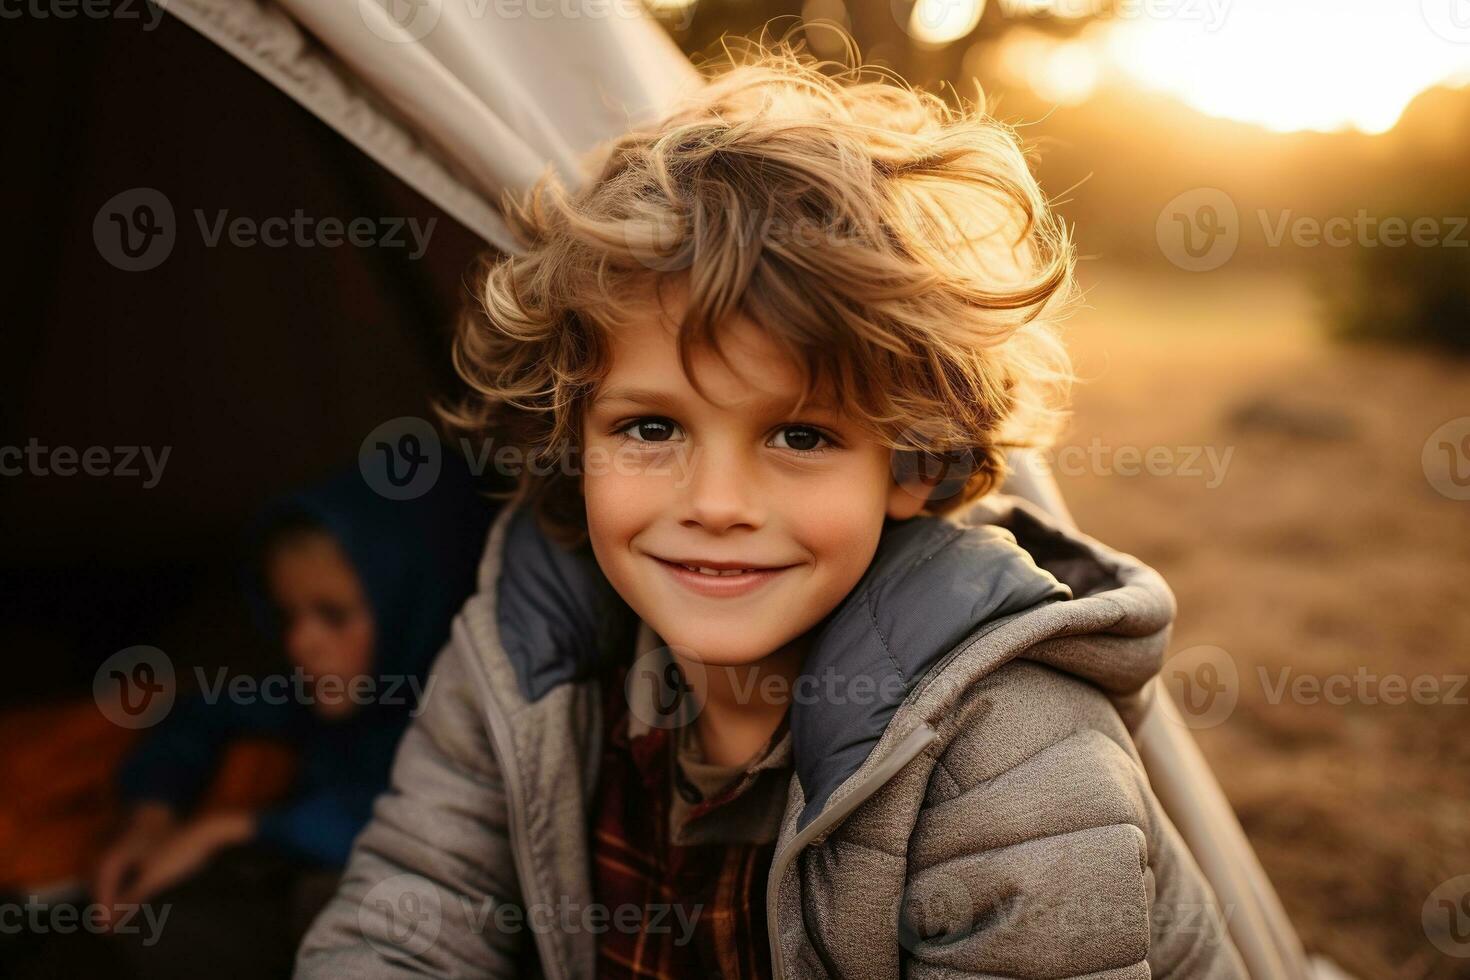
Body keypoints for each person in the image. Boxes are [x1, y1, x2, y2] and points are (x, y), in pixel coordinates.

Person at [297, 39, 1248, 978]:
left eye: (799, 437)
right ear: (572, 434)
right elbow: (406, 917)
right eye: (650, 429)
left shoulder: (1009, 750)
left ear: (915, 464)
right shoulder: (526, 641)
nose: (714, 505)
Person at [21, 455, 495, 980]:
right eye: (287, 615)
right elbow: (199, 716)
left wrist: (234, 828)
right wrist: (151, 813)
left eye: (333, 615)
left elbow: (446, 825)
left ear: (412, 607)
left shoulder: (468, 718)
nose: (300, 642)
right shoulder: (314, 694)